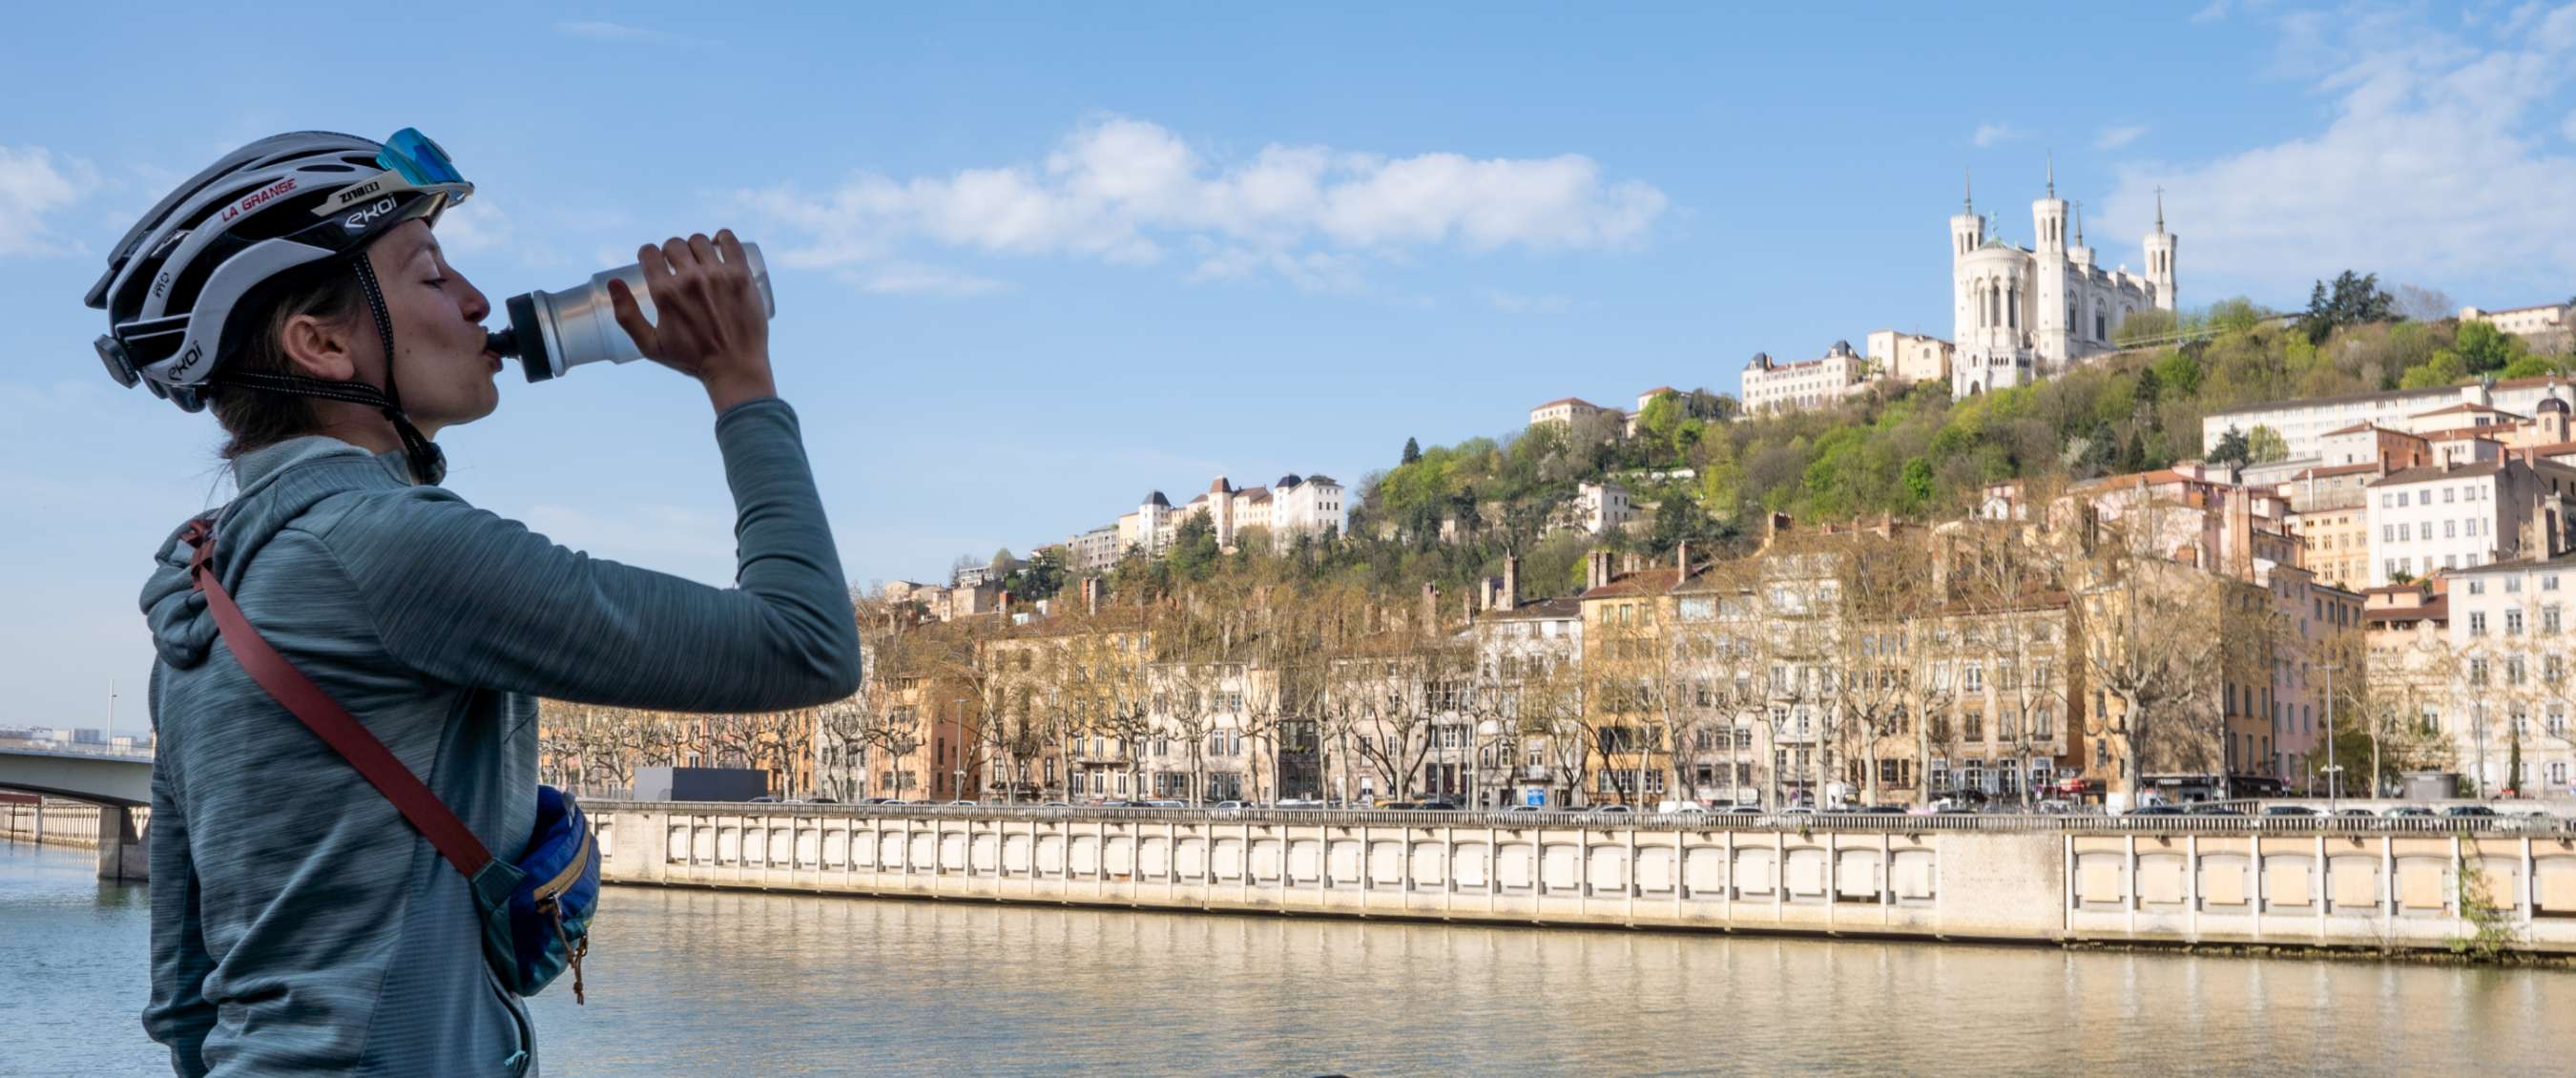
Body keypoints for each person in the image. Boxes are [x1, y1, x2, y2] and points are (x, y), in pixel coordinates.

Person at [90, 131, 863, 1076]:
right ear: (322, 343)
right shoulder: (395, 546)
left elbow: (182, 998)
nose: (475, 302)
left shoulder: (202, 603)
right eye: (430, 274)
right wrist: (741, 379)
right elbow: (805, 642)